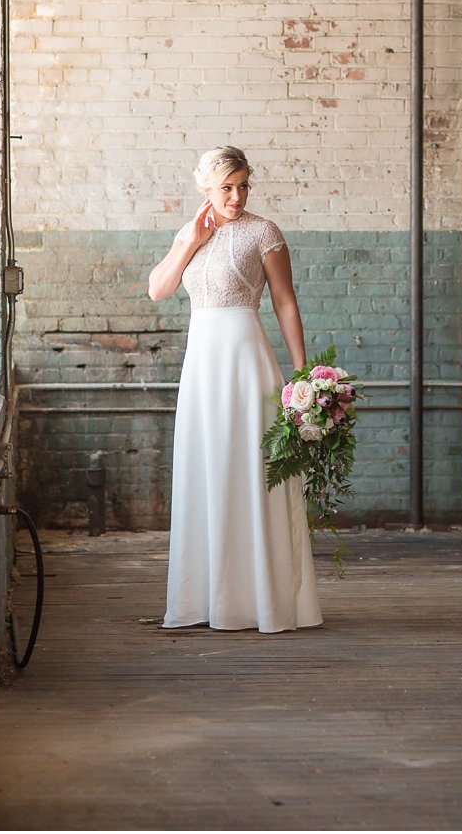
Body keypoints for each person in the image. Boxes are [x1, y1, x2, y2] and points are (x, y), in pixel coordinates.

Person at [147, 146, 322, 632]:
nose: (237, 196)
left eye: (243, 185)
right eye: (227, 187)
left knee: (253, 473)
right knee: (208, 470)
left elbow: (286, 303)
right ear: (206, 188)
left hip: (246, 361)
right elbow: (158, 289)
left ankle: (262, 601)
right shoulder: (191, 231)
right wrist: (192, 241)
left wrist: (302, 372)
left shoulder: (263, 232)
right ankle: (208, 600)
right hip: (202, 366)